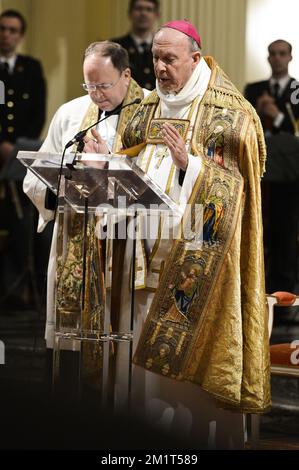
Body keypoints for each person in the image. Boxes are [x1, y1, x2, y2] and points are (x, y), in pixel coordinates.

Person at [119, 20, 270, 448]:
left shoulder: (231, 113)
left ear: (195, 59)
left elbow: (241, 190)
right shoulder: (145, 108)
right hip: (142, 261)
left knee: (191, 403)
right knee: (144, 393)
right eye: (155, 59)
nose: (161, 69)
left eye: (170, 59)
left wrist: (192, 166)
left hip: (202, 264)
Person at [23, 41, 148, 349]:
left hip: (125, 239)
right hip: (74, 234)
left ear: (126, 75)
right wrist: (55, 192)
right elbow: (34, 175)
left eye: (103, 85)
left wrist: (108, 164)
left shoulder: (151, 111)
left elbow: (156, 179)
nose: (95, 94)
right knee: (71, 346)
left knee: (116, 339)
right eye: (89, 85)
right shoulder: (71, 113)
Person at [245, 40, 299, 295]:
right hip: (259, 174)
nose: (277, 58)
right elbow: (243, 125)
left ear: (290, 57)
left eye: (282, 54)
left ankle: (286, 292)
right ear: (267, 58)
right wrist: (258, 109)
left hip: (289, 176)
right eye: (272, 54)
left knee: (285, 232)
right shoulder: (254, 89)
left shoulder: (297, 90)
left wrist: (276, 114)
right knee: (259, 230)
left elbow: (295, 131)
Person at [0, 9, 46, 307]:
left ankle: (20, 291)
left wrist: (15, 147)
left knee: (21, 225)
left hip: (17, 156)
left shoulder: (31, 67)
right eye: (3, 29)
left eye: (13, 30)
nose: (7, 35)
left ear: (21, 35)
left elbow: (37, 113)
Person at [112, 0, 159, 90]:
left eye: (149, 9)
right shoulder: (115, 47)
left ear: (157, 15)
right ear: (130, 13)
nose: (143, 13)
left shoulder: (163, 47)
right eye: (139, 8)